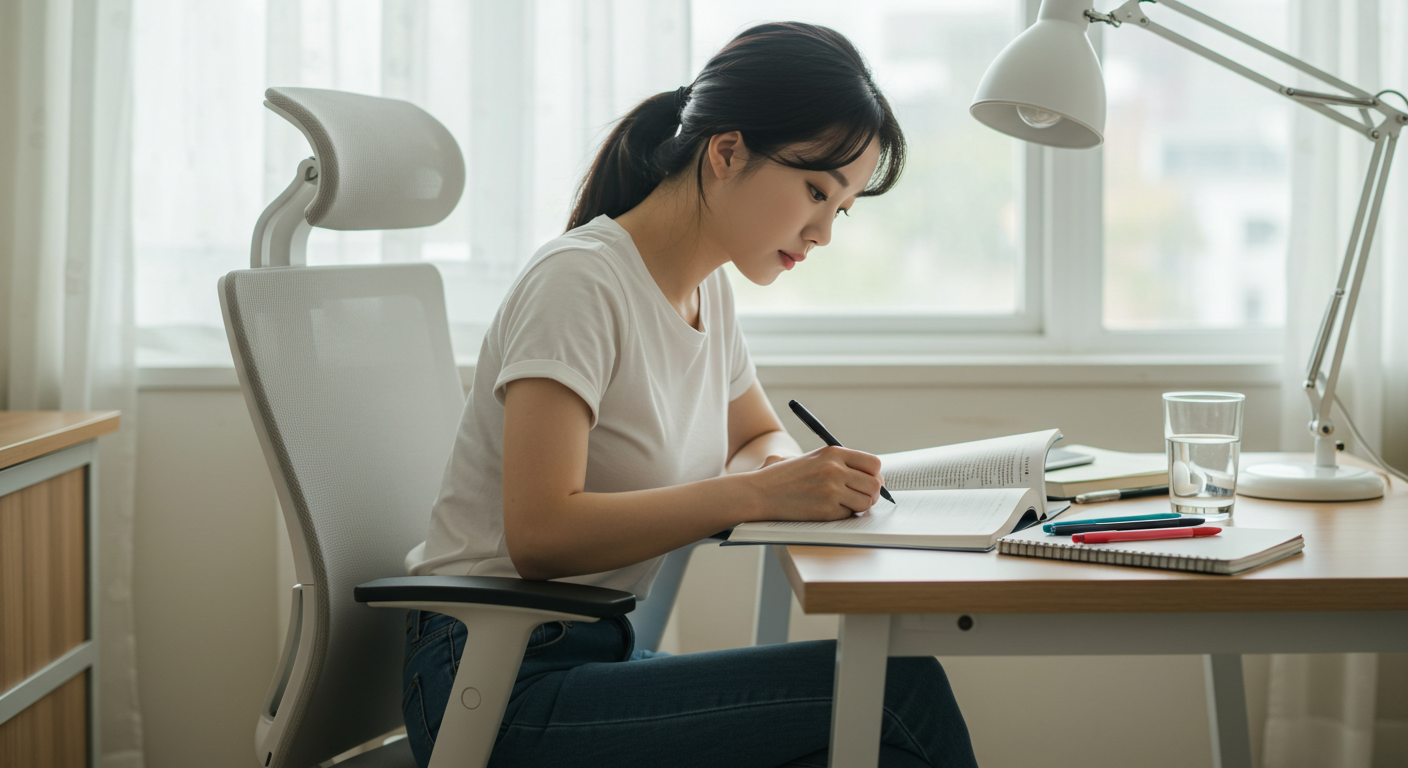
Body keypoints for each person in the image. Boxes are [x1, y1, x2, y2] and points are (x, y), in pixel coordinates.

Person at [402, 21, 978, 768]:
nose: (823, 233)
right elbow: (540, 534)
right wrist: (757, 495)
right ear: (726, 152)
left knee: (872, 743)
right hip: (492, 686)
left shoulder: (708, 293)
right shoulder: (579, 283)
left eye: (840, 209)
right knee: (897, 695)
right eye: (815, 190)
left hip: (590, 656)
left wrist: (776, 473)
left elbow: (757, 436)